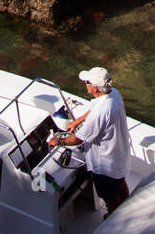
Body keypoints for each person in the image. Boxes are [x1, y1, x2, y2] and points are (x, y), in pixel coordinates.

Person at [48, 67, 130, 215]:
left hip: (106, 166)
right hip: (120, 157)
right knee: (120, 185)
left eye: (86, 82)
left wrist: (57, 142)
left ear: (94, 87)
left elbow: (77, 139)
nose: (85, 84)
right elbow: (95, 108)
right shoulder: (114, 94)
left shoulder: (100, 113)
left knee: (109, 198)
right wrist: (77, 121)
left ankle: (113, 221)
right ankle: (127, 209)